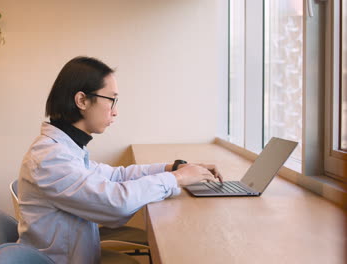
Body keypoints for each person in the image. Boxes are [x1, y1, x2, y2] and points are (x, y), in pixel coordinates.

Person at [17, 56, 223, 264]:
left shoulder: (65, 149)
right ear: (82, 101)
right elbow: (116, 203)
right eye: (111, 100)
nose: (115, 112)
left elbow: (117, 176)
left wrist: (173, 168)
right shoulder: (51, 159)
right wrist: (177, 178)